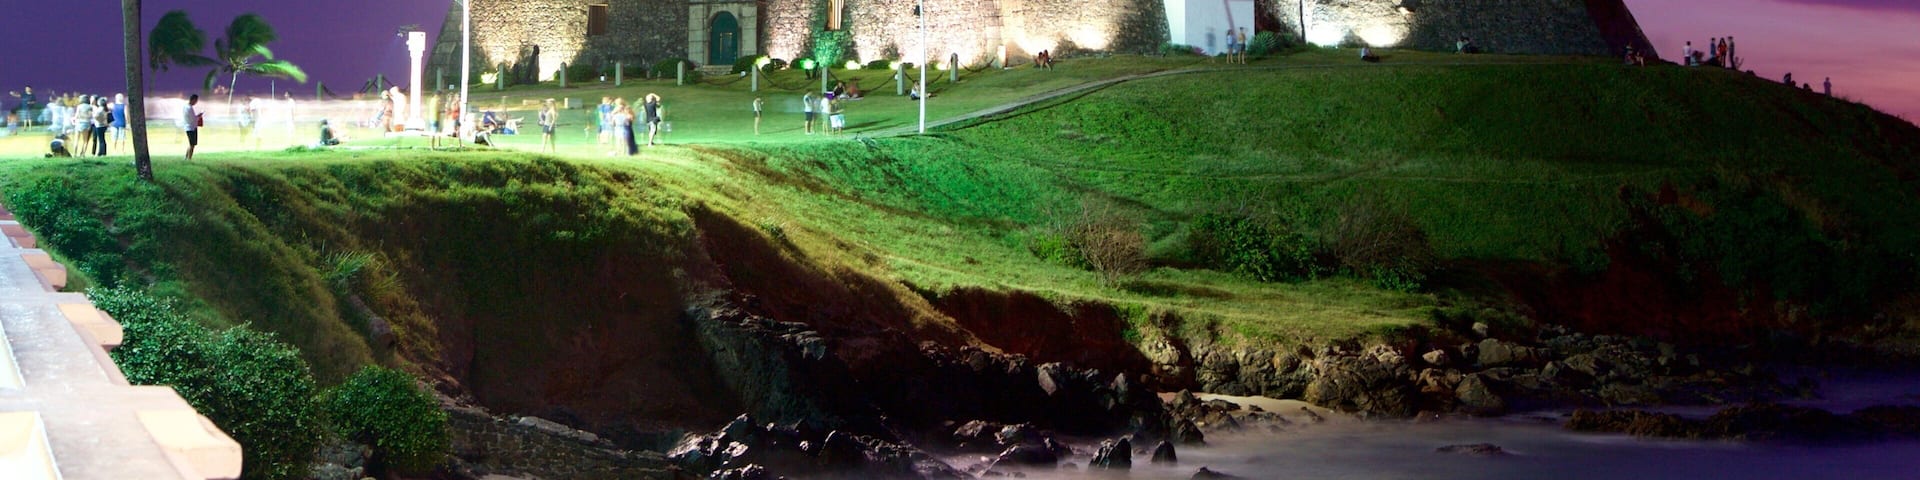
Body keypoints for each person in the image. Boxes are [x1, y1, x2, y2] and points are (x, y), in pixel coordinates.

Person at [183, 94, 204, 161]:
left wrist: (196, 117)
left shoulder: (185, 107)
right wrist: (199, 116)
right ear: (193, 100)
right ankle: (189, 158)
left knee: (190, 144)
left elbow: (190, 117)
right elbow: (193, 119)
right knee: (192, 145)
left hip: (187, 126)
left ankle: (186, 157)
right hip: (191, 128)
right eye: (196, 101)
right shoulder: (190, 108)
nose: (196, 103)